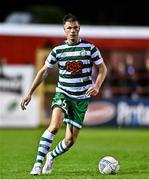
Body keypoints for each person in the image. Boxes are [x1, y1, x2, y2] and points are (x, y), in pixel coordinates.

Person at [21, 13, 107, 175]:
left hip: (81, 98)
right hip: (63, 94)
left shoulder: (90, 48)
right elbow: (44, 71)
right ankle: (37, 164)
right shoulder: (58, 51)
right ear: (64, 30)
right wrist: (29, 93)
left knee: (70, 140)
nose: (73, 31)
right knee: (54, 126)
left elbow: (103, 69)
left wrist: (97, 85)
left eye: (75, 27)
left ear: (79, 29)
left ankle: (51, 156)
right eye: (69, 28)